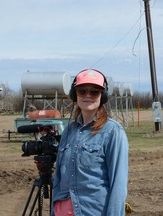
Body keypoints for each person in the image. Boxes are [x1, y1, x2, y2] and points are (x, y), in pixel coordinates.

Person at [51, 69, 129, 216]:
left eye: (94, 92)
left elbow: (118, 185)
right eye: (82, 91)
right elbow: (58, 181)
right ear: (75, 95)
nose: (88, 95)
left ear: (103, 96)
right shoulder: (68, 131)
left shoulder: (113, 132)